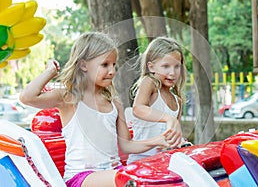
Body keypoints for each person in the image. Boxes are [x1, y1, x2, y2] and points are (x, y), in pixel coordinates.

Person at [19, 32, 180, 187]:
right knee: (131, 178)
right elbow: (27, 97)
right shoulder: (69, 97)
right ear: (83, 65)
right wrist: (50, 72)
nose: (112, 71)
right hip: (81, 177)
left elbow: (127, 146)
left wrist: (158, 140)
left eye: (114, 64)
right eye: (105, 65)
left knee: (150, 176)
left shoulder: (114, 103)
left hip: (114, 173)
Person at [127, 36, 189, 164]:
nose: (172, 73)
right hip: (142, 161)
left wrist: (181, 142)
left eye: (177, 66)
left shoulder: (177, 100)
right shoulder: (150, 83)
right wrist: (168, 118)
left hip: (165, 162)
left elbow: (173, 134)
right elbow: (138, 108)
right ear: (152, 67)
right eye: (166, 66)